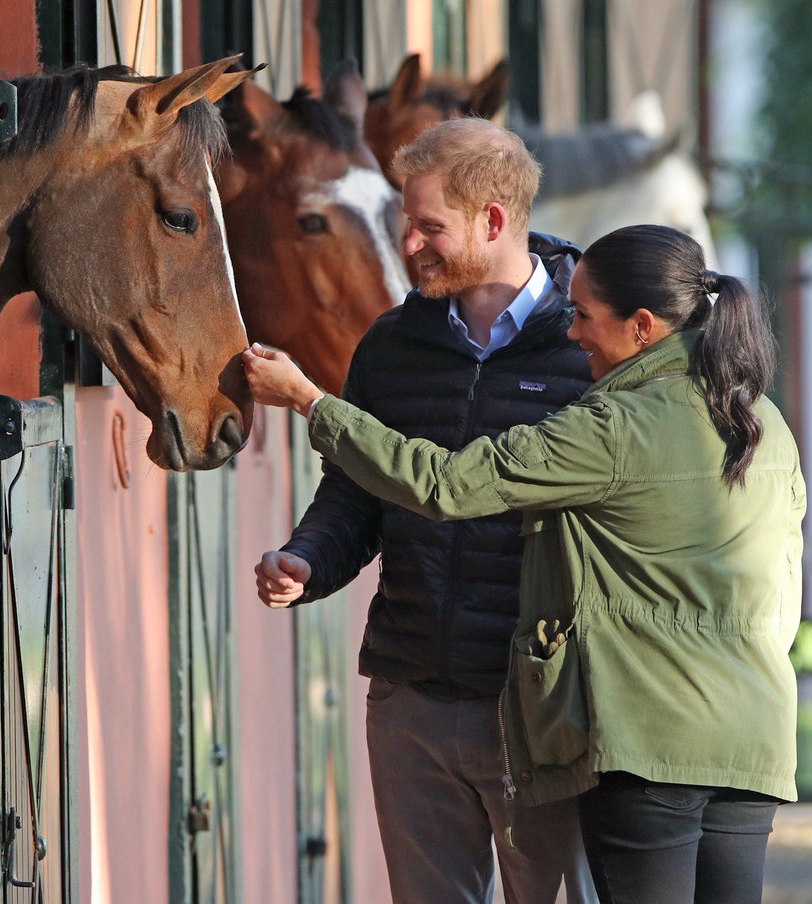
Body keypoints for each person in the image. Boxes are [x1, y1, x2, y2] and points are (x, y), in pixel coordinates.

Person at [243, 223, 805, 904]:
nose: (574, 332)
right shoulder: (763, 421)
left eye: (585, 316)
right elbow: (784, 586)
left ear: (643, 326)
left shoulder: (614, 426)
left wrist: (310, 401)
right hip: (752, 737)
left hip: (651, 742)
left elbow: (445, 485)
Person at [252, 117, 598, 904]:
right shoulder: (390, 343)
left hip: (541, 707)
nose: (408, 244)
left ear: (494, 220)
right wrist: (307, 559)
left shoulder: (588, 349)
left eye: (428, 227)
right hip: (409, 697)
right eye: (405, 222)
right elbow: (354, 492)